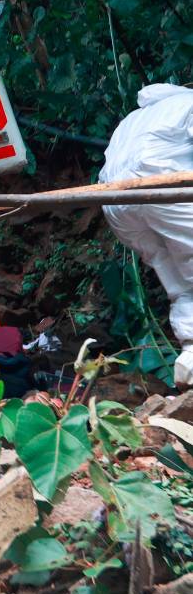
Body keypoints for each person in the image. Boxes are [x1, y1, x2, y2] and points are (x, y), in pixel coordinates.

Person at [100, 84, 193, 386]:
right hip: (161, 186)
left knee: (181, 285)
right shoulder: (188, 103)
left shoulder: (130, 120)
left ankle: (189, 362)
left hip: (117, 204)